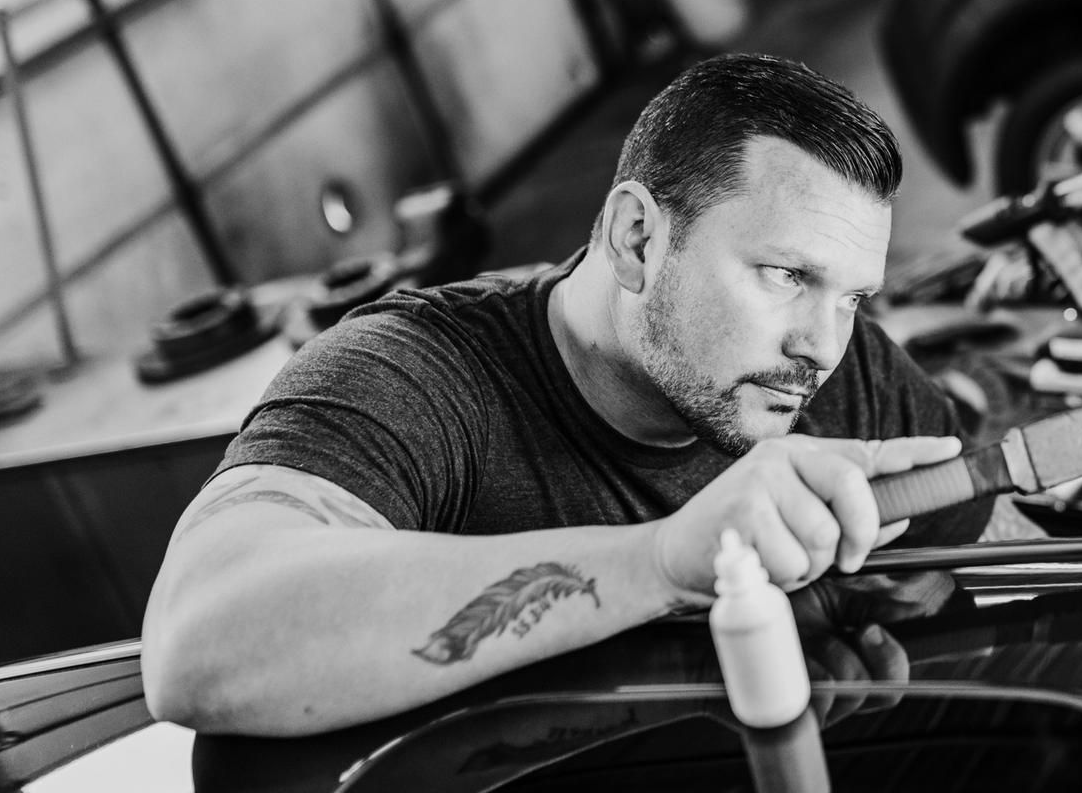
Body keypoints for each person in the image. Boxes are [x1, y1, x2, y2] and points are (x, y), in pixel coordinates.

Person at [143, 54, 1008, 738]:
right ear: (637, 237)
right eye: (785, 275)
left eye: (854, 298)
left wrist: (890, 609)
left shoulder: (838, 372)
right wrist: (665, 563)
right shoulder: (416, 372)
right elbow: (203, 642)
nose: (822, 346)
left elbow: (980, 558)